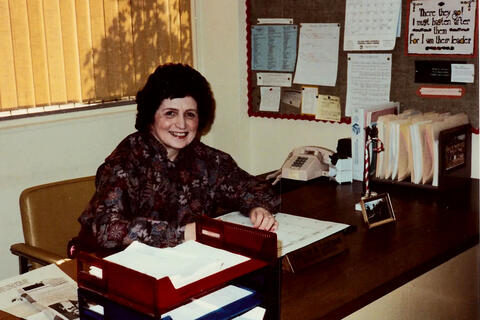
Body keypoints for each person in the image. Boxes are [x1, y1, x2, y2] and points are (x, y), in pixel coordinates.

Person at [71, 63, 279, 256]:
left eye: (190, 114)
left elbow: (260, 190)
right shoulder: (126, 160)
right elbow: (108, 230)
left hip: (184, 265)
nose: (181, 124)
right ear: (151, 116)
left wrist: (256, 207)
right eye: (170, 113)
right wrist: (183, 234)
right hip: (118, 270)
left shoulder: (207, 159)